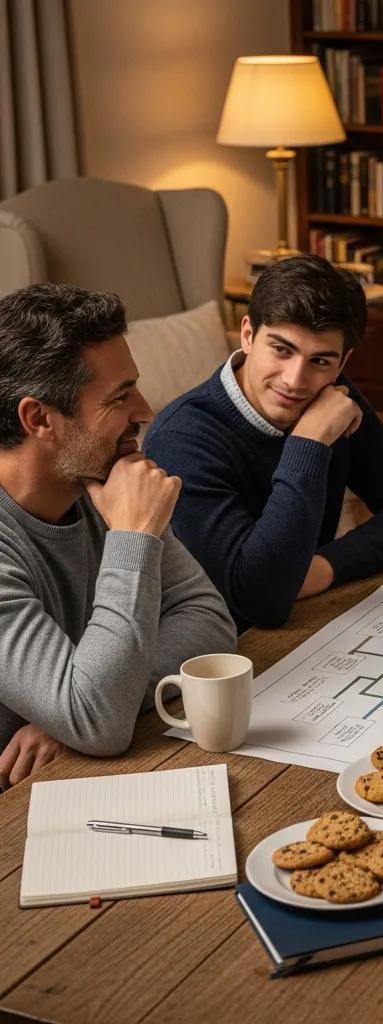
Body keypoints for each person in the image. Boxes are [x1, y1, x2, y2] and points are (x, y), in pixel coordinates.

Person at [0, 284, 236, 785]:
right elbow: (100, 722)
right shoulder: (122, 509)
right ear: (39, 417)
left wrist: (82, 703)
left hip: (80, 772)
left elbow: (212, 623)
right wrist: (133, 537)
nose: (145, 410)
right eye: (119, 396)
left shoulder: (104, 482)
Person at [145, 255, 383, 630]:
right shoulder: (182, 440)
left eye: (320, 361)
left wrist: (326, 566)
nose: (295, 380)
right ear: (248, 335)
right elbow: (259, 601)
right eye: (281, 349)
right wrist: (309, 442)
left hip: (308, 624)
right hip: (218, 655)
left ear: (342, 362)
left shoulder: (332, 397)